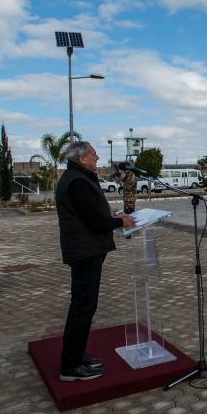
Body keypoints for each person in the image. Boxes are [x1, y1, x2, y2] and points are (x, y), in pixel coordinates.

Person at [56, 141, 136, 381]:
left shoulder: (77, 177)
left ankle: (78, 355)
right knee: (83, 307)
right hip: (85, 251)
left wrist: (112, 217)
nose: (97, 157)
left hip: (86, 249)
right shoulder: (78, 181)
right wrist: (120, 222)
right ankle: (70, 366)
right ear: (81, 158)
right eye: (93, 154)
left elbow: (92, 214)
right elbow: (94, 222)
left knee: (84, 306)